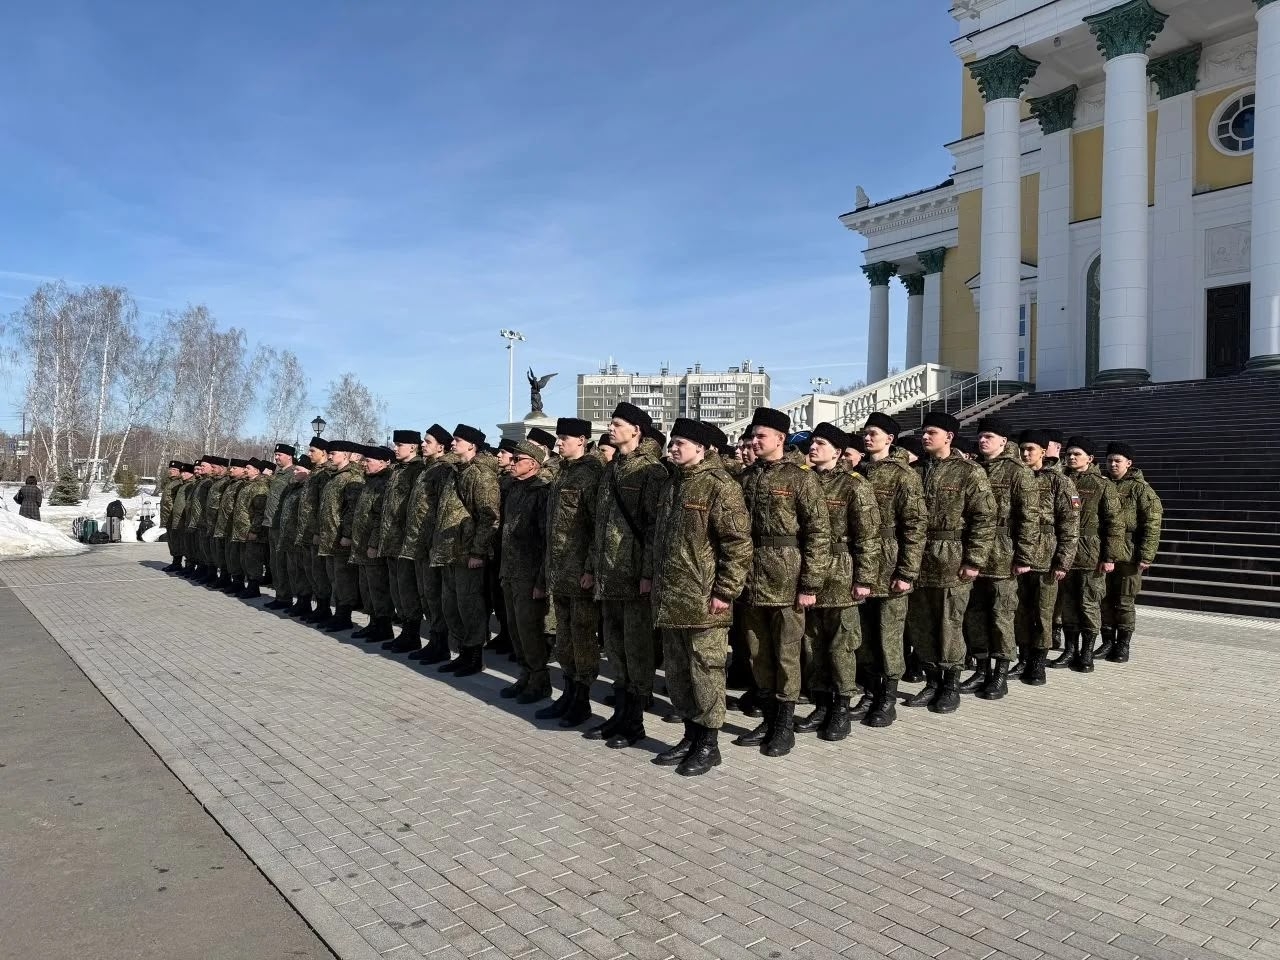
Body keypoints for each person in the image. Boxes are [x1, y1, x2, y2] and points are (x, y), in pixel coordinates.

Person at [650, 418, 752, 776]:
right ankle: (690, 735)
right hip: (671, 598)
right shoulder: (672, 484)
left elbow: (737, 545)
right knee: (678, 672)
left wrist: (725, 591)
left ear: (701, 447)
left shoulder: (720, 486)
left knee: (706, 671)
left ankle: (709, 744)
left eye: (680, 442)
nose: (673, 448)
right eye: (672, 442)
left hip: (704, 598)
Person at [734, 407, 830, 758]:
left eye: (761, 436)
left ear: (780, 439)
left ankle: (785, 725)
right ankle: (769, 717)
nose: (754, 442)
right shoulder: (746, 478)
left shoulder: (801, 478)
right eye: (753, 436)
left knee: (787, 654)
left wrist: (810, 584)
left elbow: (818, 533)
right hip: (751, 579)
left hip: (787, 579)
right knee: (757, 653)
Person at [582, 402, 667, 749]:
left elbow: (654, 530)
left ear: (636, 430)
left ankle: (635, 722)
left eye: (617, 424)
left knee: (637, 649)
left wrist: (647, 574)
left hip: (633, 577)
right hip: (609, 574)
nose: (610, 428)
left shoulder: (652, 472)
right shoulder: (612, 468)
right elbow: (599, 525)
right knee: (615, 647)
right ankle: (620, 715)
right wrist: (591, 567)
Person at [904, 411, 995, 714]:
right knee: (921, 624)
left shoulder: (969, 472)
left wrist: (974, 559)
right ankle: (932, 681)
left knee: (950, 623)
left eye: (931, 432)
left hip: (951, 558)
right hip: (917, 559)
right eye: (923, 432)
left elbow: (984, 519)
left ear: (949, 437)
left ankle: (951, 684)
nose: (925, 437)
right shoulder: (914, 471)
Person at [796, 422, 879, 741]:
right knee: (813, 645)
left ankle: (842, 708)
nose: (813, 447)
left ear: (838, 451)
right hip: (806, 573)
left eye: (820, 443)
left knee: (841, 646)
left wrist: (864, 578)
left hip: (840, 575)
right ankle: (821, 704)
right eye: (812, 442)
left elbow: (868, 537)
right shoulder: (803, 480)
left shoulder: (854, 485)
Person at [959, 417, 1039, 701]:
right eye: (981, 436)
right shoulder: (973, 469)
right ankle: (981, 670)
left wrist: (1024, 556)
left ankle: (1000, 674)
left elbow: (1029, 518)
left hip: (1003, 554)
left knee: (1001, 614)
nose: (983, 441)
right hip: (971, 551)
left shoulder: (1018, 472)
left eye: (989, 437)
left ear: (1003, 442)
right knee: (975, 614)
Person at [858, 412, 927, 726]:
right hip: (861, 565)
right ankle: (870, 692)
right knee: (865, 636)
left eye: (873, 433)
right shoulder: (858, 472)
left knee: (889, 635)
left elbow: (914, 527)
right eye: (865, 433)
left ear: (889, 439)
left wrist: (907, 572)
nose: (867, 437)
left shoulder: (904, 476)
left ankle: (888, 698)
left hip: (889, 564)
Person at [538, 417, 604, 728]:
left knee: (582, 636)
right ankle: (567, 692)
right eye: (558, 437)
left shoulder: (592, 474)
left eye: (564, 438)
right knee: (564, 637)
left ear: (582, 440)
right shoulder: (562, 472)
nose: (558, 442)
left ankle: (582, 699)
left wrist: (590, 568)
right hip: (559, 570)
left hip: (579, 573)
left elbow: (596, 526)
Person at [433, 424, 501, 677]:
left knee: (469, 606)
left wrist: (478, 552)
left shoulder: (480, 475)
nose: (452, 443)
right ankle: (462, 652)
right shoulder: (456, 472)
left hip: (467, 554)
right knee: (451, 606)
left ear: (472, 445)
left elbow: (489, 517)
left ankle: (474, 656)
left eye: (458, 440)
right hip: (450, 551)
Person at [1053, 437, 1122, 673]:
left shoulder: (1102, 485)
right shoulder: (1061, 479)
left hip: (1091, 553)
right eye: (1069, 454)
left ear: (1090, 459)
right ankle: (1070, 649)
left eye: (1077, 454)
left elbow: (1114, 523)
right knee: (1067, 605)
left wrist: (1109, 557)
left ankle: (1087, 652)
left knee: (1089, 604)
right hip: (1064, 553)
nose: (1071, 458)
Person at [1014, 430, 1079, 685]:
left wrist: (1063, 561)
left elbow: (1070, 525)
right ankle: (1023, 658)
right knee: (1019, 611)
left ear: (1043, 451)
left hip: (1046, 557)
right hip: (1016, 555)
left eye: (1030, 449)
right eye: (1022, 449)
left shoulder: (1059, 481)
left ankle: (1038, 663)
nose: (1025, 454)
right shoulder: (1017, 477)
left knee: (1042, 613)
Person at [498, 440, 553, 703]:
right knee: (515, 628)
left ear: (532, 464)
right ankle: (525, 675)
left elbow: (546, 540)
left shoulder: (542, 492)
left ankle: (540, 681)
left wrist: (541, 580)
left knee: (530, 630)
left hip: (529, 574)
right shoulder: (514, 489)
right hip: (510, 570)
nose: (511, 463)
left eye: (517, 459)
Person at [1100, 441, 1163, 663]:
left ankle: (1123, 644)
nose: (1113, 464)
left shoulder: (1140, 489)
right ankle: (1107, 641)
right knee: (1104, 599)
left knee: (1125, 601)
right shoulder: (1103, 484)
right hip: (1104, 552)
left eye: (1117, 461)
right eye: (1109, 460)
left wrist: (1146, 555)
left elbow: (1152, 523)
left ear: (1129, 463)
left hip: (1129, 554)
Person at [401, 425, 457, 663]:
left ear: (441, 446)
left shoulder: (444, 470)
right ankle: (433, 641)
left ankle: (441, 644)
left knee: (435, 596)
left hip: (433, 544)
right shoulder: (428, 468)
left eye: (428, 441)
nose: (423, 445)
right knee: (425, 595)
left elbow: (444, 509)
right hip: (419, 544)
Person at [376, 430, 426, 651]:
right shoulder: (397, 470)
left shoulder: (418, 471)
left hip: (406, 541)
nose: (395, 449)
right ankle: (405, 631)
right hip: (391, 540)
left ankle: (412, 634)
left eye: (399, 445)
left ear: (413, 447)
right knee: (396, 589)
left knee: (407, 589)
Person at [316, 441, 364, 632]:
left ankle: (344, 616)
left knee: (344, 579)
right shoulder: (334, 477)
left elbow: (353, 509)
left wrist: (347, 534)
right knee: (334, 578)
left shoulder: (351, 477)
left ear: (345, 455)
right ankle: (337, 614)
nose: (329, 456)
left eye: (333, 453)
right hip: (329, 537)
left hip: (340, 538)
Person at [351, 445, 396, 642]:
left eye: (368, 461)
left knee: (378, 588)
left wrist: (374, 543)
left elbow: (380, 517)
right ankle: (373, 623)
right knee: (367, 587)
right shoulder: (369, 481)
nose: (364, 464)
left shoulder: (385, 483)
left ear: (384, 462)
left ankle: (384, 627)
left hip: (372, 546)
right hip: (361, 544)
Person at [295, 438, 335, 622]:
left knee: (320, 573)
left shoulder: (326, 474)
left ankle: (323, 608)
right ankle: (314, 606)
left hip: (317, 533)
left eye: (312, 451)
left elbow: (324, 506)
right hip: (307, 531)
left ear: (324, 453)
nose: (309, 454)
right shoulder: (315, 472)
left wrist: (318, 531)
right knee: (310, 571)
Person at [262, 444, 298, 610]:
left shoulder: (293, 473)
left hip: (283, 526)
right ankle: (280, 595)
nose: (276, 457)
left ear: (289, 456)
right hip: (271, 524)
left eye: (279, 455)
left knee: (283, 563)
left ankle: (286, 597)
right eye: (275, 455)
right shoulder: (279, 474)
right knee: (275, 563)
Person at [231, 459, 271, 599]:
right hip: (243, 531)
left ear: (257, 471)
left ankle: (254, 587)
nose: (245, 470)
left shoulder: (260, 486)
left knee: (253, 560)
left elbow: (260, 511)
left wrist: (254, 530)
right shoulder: (248, 485)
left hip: (252, 532)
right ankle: (245, 585)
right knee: (245, 559)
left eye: (248, 468)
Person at [158, 461, 183, 571]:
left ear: (180, 471)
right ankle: (175, 562)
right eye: (170, 469)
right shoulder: (170, 482)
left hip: (174, 516)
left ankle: (178, 562)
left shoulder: (179, 483)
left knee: (177, 540)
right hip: (167, 516)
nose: (171, 471)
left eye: (174, 470)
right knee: (171, 540)